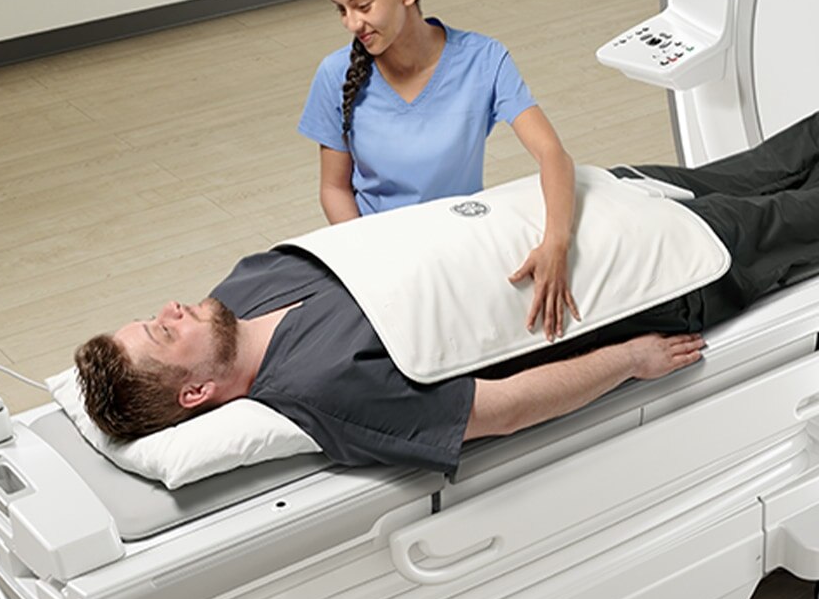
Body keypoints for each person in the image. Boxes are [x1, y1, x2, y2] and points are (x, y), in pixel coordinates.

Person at [75, 112, 819, 475]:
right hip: (648, 276)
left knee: (776, 159)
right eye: (164, 334)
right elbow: (502, 409)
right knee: (796, 214)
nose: (171, 310)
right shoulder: (326, 393)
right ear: (197, 393)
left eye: (153, 316)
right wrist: (629, 360)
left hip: (582, 205)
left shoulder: (244, 286)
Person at [298, 0, 578, 342]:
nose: (352, 23)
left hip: (459, 245)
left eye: (363, 5)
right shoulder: (334, 75)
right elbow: (334, 188)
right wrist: (368, 259)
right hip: (379, 255)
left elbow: (552, 154)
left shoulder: (484, 60)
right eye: (341, 10)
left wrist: (556, 242)